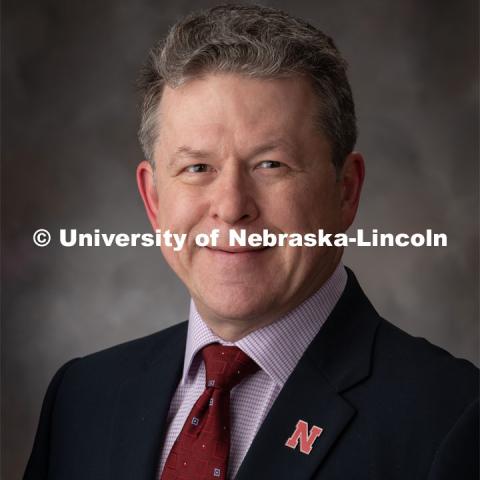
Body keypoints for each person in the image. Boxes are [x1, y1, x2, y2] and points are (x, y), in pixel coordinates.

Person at [24, 4, 478, 479]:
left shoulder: (452, 417)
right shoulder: (81, 399)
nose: (232, 205)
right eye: (197, 168)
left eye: (271, 165)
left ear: (346, 191)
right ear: (153, 200)